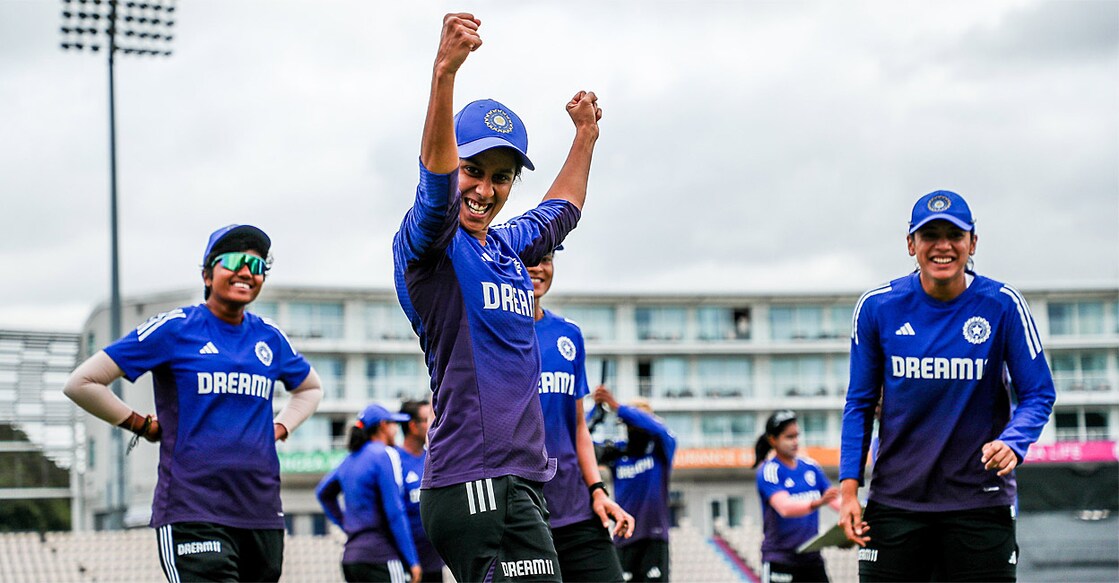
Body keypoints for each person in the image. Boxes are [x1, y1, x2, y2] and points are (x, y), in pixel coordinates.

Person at [391, 12, 602, 582]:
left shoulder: (505, 249)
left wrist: (585, 138)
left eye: (501, 177)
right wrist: (444, 75)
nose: (485, 189)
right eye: (473, 169)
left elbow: (562, 214)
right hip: (475, 481)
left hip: (519, 482)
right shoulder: (434, 245)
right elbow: (435, 188)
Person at [62, 224, 323, 582]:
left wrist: (280, 427)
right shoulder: (175, 328)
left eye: (258, 266)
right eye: (234, 262)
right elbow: (82, 382)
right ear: (206, 273)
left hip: (260, 511)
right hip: (193, 509)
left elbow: (310, 388)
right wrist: (140, 424)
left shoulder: (270, 337)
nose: (247, 272)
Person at [838, 190, 1057, 581]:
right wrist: (849, 491)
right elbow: (859, 404)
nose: (943, 246)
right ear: (911, 244)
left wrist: (1014, 440)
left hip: (980, 504)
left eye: (954, 235)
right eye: (930, 235)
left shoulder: (1003, 304)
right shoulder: (876, 307)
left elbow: (1039, 392)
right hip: (895, 504)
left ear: (973, 242)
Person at [528, 248, 634, 582]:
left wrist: (598, 491)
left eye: (546, 260)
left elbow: (578, 429)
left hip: (577, 512)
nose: (539, 268)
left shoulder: (567, 334)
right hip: (524, 517)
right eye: (529, 259)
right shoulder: (490, 336)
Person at [317, 404, 422, 583]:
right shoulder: (383, 455)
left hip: (352, 559)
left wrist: (346, 524)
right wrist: (412, 561)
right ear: (383, 426)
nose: (397, 430)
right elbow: (395, 513)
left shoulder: (349, 460)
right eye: (393, 424)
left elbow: (323, 493)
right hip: (380, 556)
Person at [593, 387, 677, 583]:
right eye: (629, 425)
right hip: (623, 538)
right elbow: (582, 443)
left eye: (636, 423)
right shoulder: (618, 452)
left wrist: (618, 407)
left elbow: (660, 429)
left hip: (653, 537)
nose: (633, 429)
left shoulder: (661, 449)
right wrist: (595, 412)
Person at [753, 410, 839, 583]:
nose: (795, 442)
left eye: (797, 436)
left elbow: (835, 500)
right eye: (789, 437)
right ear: (773, 440)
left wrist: (854, 516)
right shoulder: (770, 471)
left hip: (812, 558)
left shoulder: (811, 467)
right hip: (781, 559)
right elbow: (784, 508)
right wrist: (817, 502)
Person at [395, 399, 445, 582]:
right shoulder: (394, 460)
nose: (432, 424)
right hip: (407, 564)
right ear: (412, 426)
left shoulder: (432, 458)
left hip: (434, 562)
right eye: (426, 419)